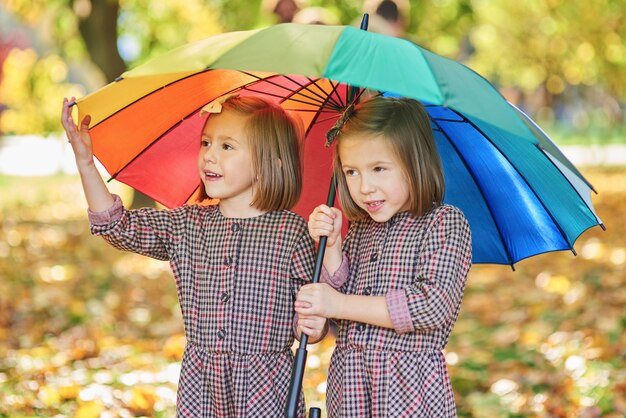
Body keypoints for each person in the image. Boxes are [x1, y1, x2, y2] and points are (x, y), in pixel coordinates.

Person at [61, 94, 326, 417]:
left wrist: (313, 325)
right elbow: (118, 227)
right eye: (206, 143)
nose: (210, 156)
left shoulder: (292, 232)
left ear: (269, 162)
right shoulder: (187, 223)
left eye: (227, 147)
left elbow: (309, 317)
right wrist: (86, 164)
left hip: (267, 387)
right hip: (202, 386)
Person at [296, 96, 472, 417]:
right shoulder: (363, 229)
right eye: (351, 172)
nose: (365, 187)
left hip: (408, 388)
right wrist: (333, 248)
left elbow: (430, 306)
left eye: (378, 168)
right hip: (350, 384)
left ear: (414, 163)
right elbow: (340, 309)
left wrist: (338, 303)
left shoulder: (444, 223)